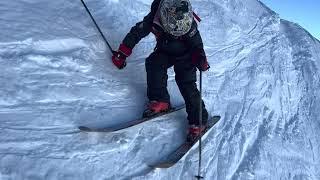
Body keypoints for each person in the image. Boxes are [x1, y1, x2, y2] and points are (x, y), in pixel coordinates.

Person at [111, 0, 209, 141]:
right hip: (165, 51)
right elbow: (137, 32)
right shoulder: (155, 18)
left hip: (186, 57)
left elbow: (196, 44)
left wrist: (200, 57)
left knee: (187, 84)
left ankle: (198, 121)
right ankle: (160, 99)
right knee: (154, 64)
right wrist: (123, 52)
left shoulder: (188, 21)